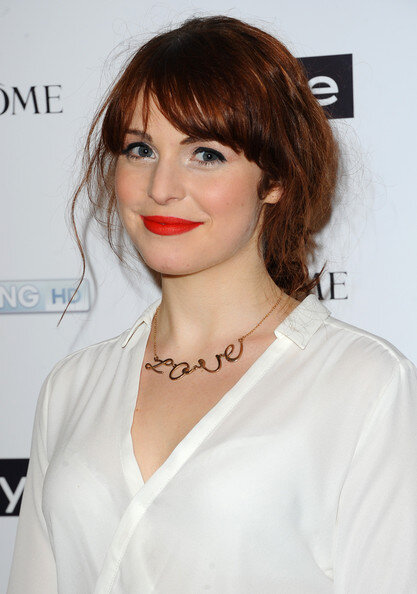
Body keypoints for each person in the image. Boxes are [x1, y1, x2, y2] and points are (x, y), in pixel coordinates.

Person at [7, 14, 417, 594]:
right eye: (140, 149)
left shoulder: (365, 384)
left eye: (205, 154)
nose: (161, 187)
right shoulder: (72, 386)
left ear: (275, 178)